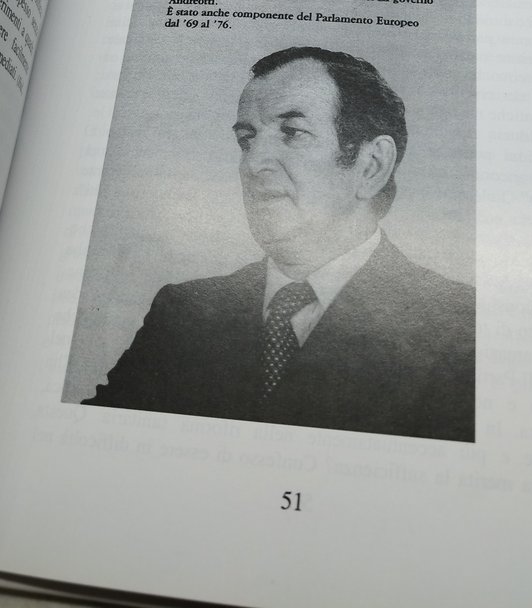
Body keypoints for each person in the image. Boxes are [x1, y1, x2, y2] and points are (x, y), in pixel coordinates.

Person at [84, 47, 475, 441]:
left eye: (293, 133)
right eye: (246, 140)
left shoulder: (460, 328)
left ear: (371, 166)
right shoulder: (184, 315)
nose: (253, 163)